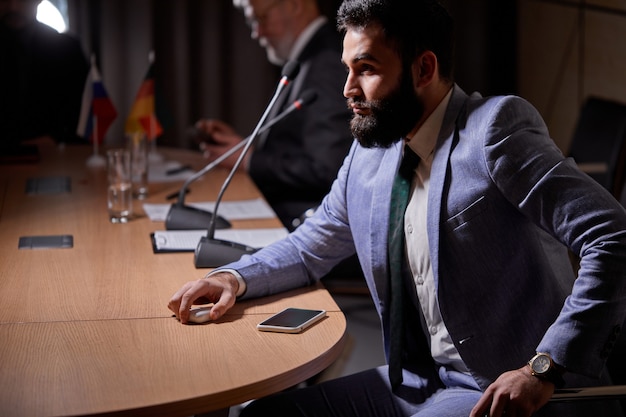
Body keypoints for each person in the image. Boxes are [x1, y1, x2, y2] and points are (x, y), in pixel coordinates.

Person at [169, 0, 626, 416]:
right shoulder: (370, 152)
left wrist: (542, 369)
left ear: (423, 68)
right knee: (261, 415)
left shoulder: (495, 131)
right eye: (347, 69)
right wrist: (234, 276)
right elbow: (314, 243)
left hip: (505, 390)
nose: (348, 89)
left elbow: (612, 235)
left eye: (366, 69)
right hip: (415, 380)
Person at [193, 0, 353, 230]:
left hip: (300, 230)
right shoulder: (309, 57)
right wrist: (245, 149)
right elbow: (297, 145)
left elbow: (327, 169)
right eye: (252, 21)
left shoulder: (326, 61)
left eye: (261, 19)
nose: (256, 33)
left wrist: (249, 160)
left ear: (296, 5)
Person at [0, 0, 89, 148]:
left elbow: (83, 115)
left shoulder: (67, 48)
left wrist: (58, 138)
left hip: (53, 157)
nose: (13, 7)